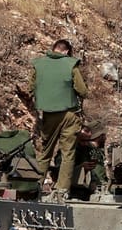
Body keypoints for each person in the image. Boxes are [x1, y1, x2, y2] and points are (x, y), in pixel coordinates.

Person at [30, 38, 87, 195]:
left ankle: (36, 185)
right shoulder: (71, 64)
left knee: (45, 151)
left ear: (54, 48)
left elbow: (31, 87)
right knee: (67, 153)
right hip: (70, 113)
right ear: (66, 51)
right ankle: (61, 190)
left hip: (48, 114)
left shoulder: (39, 64)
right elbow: (82, 90)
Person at [70, 119, 111, 199]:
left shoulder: (91, 150)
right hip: (77, 192)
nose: (105, 137)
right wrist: (81, 168)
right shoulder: (78, 150)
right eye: (103, 135)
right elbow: (60, 170)